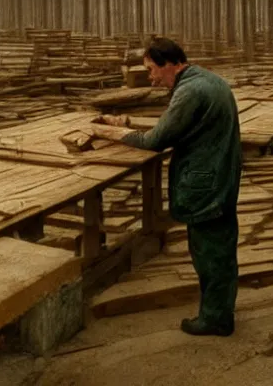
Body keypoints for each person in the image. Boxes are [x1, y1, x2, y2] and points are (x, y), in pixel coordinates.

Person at [98, 37, 242, 337]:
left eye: (152, 69)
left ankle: (215, 320)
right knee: (220, 250)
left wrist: (112, 133)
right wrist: (127, 120)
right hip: (222, 178)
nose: (150, 77)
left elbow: (155, 141)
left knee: (210, 254)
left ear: (170, 64)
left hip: (207, 184)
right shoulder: (208, 80)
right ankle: (219, 311)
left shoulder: (189, 90)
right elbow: (177, 124)